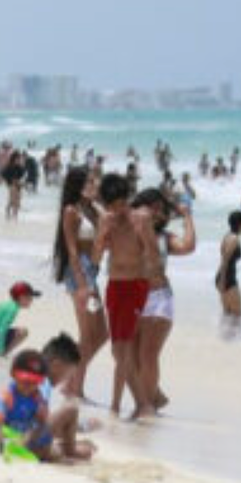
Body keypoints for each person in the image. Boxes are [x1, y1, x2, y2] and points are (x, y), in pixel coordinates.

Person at [92, 173, 157, 419]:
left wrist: (141, 235)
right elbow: (97, 259)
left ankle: (116, 407)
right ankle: (142, 404)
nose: (117, 210)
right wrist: (102, 233)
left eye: (120, 204)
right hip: (114, 285)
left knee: (124, 347)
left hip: (136, 285)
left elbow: (152, 253)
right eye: (111, 205)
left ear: (126, 199)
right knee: (118, 352)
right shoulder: (107, 220)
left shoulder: (141, 218)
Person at [131, 189, 196, 413]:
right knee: (132, 358)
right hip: (133, 299)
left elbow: (188, 247)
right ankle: (154, 397)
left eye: (161, 208)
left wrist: (187, 216)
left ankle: (145, 406)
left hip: (159, 299)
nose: (158, 212)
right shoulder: (128, 231)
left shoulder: (164, 237)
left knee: (148, 355)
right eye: (153, 207)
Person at [52, 166, 107, 401]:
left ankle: (72, 381)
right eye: (89, 183)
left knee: (101, 333)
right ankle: (74, 386)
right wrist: (83, 284)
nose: (94, 186)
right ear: (78, 186)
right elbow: (72, 251)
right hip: (79, 273)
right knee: (88, 333)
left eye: (95, 183)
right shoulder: (71, 211)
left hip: (91, 271)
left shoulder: (93, 210)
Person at [0, 349, 87, 463]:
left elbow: (42, 425)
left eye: (34, 382)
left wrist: (31, 435)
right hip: (21, 446)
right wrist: (1, 448)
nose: (29, 386)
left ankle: (68, 448)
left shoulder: (37, 397)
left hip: (34, 443)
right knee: (71, 409)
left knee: (84, 446)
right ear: (13, 374)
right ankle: (70, 450)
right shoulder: (6, 396)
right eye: (25, 380)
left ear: (41, 381)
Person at [0, 281, 39, 357]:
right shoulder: (12, 309)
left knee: (2, 329)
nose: (32, 301)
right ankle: (3, 353)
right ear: (21, 297)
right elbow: (2, 330)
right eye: (30, 298)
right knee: (24, 332)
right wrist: (0, 351)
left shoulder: (8, 304)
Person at [216, 210, 241, 337]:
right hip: (227, 278)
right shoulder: (234, 239)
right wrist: (223, 282)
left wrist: (220, 280)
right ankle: (236, 340)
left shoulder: (227, 236)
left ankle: (225, 338)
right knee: (238, 315)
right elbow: (225, 260)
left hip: (223, 277)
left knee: (228, 314)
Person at [1, 150, 25, 220]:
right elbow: (4, 175)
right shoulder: (9, 167)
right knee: (13, 201)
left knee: (17, 201)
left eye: (19, 158)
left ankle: (13, 215)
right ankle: (11, 215)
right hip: (11, 185)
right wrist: (9, 181)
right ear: (14, 159)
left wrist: (22, 166)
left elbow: (22, 175)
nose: (19, 160)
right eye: (18, 159)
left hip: (18, 185)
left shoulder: (19, 167)